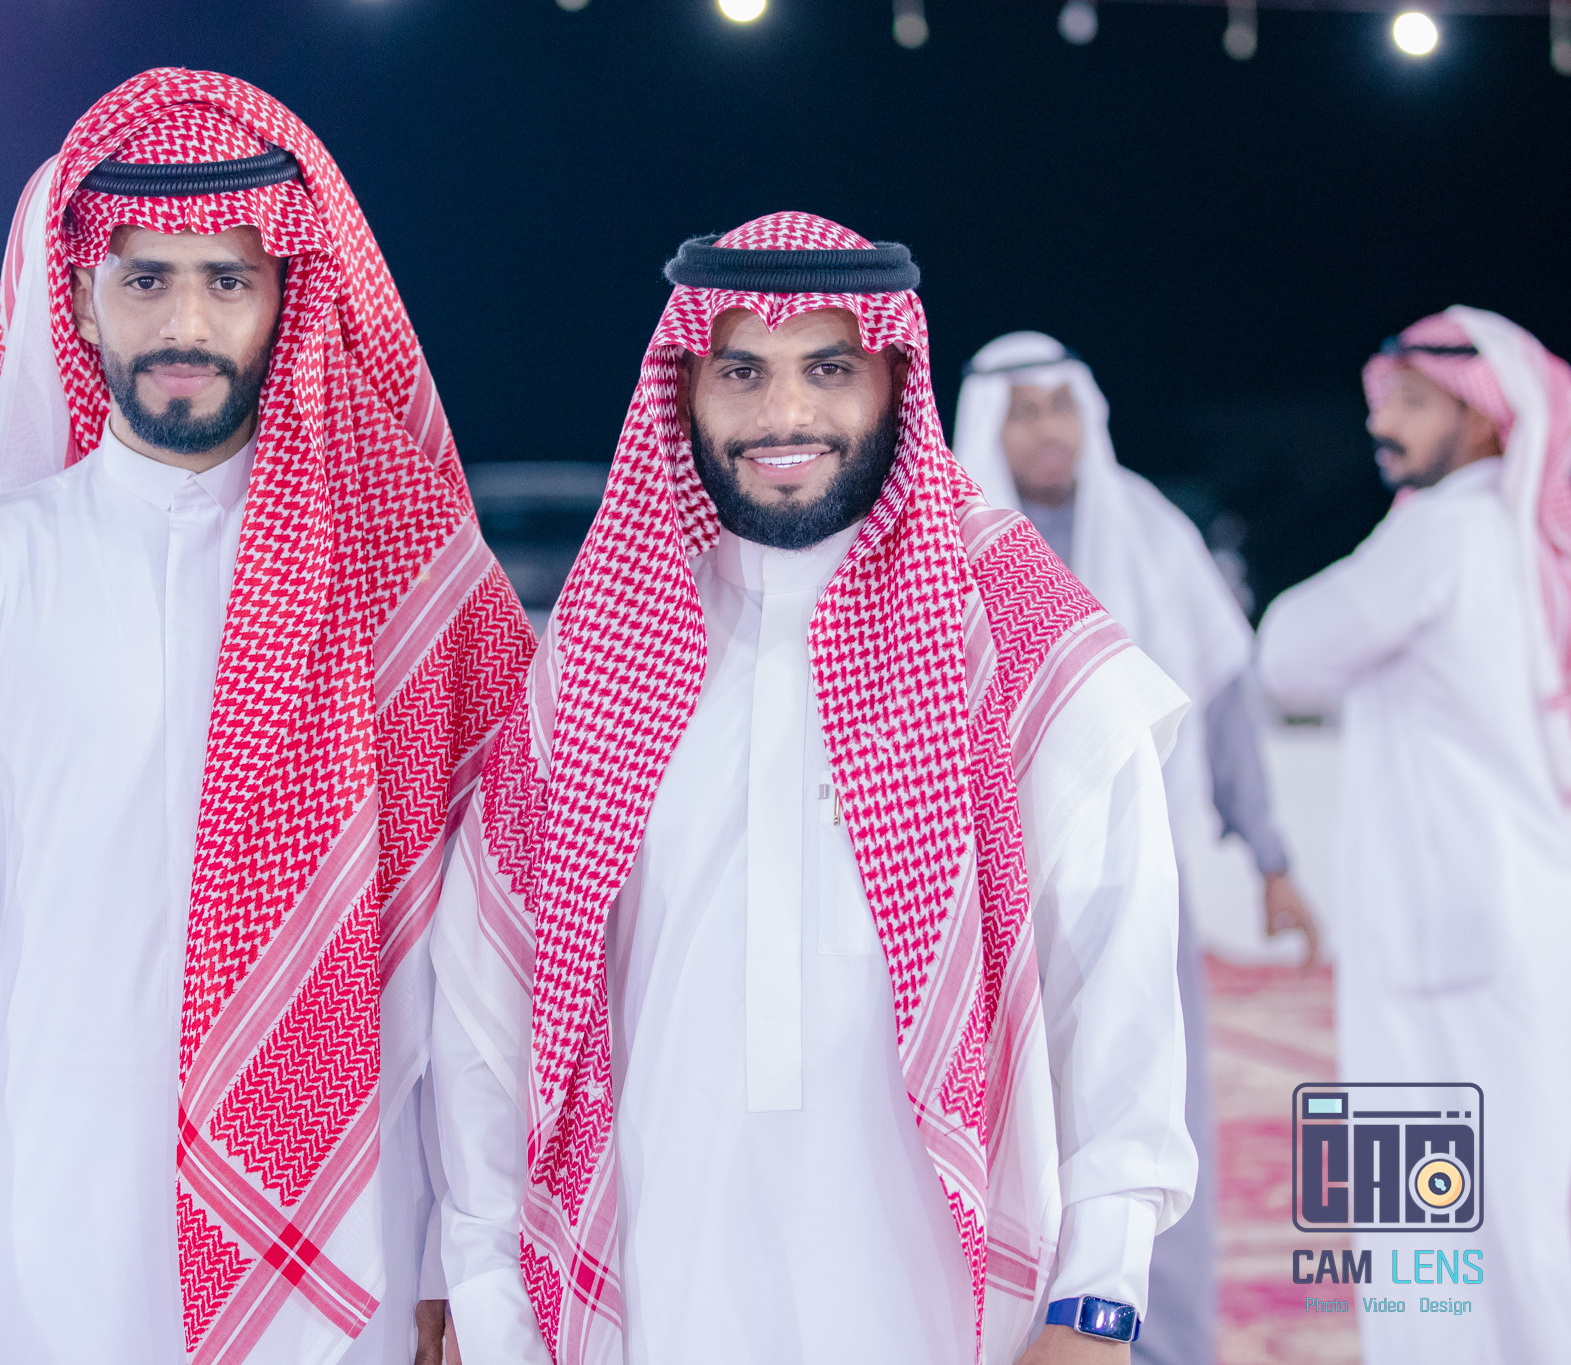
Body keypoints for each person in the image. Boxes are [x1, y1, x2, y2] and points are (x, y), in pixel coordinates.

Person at [0, 69, 532, 1365]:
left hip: (348, 1237)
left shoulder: (406, 581)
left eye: (227, 280)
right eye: (146, 279)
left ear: (288, 297)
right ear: (81, 297)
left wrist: (456, 1261)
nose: (185, 322)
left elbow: (475, 956)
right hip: (49, 1215)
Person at [427, 214, 1196, 1365]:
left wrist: (1097, 1297)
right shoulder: (598, 659)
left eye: (828, 369)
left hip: (949, 1305)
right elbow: (487, 1005)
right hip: (661, 1290)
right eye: (740, 372)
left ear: (893, 382)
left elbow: (1114, 980)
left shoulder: (1018, 644)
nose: (782, 413)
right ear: (684, 391)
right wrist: (489, 1295)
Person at [952, 332, 1321, 1365]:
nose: (1045, 430)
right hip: (984, 891)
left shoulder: (1154, 534)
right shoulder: (941, 547)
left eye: (1058, 406)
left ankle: (1162, 1342)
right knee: (1002, 1124)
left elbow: (1225, 701)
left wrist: (1270, 856)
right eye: (1021, 411)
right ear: (985, 426)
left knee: (1149, 1119)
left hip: (1138, 883)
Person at [1257, 307, 1571, 1365]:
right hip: (1506, 919)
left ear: (1482, 420)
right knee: (1517, 1201)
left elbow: (1286, 651)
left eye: (1414, 404)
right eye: (1384, 399)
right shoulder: (1513, 537)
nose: (1381, 423)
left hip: (1442, 940)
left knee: (1433, 1228)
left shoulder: (1443, 533)